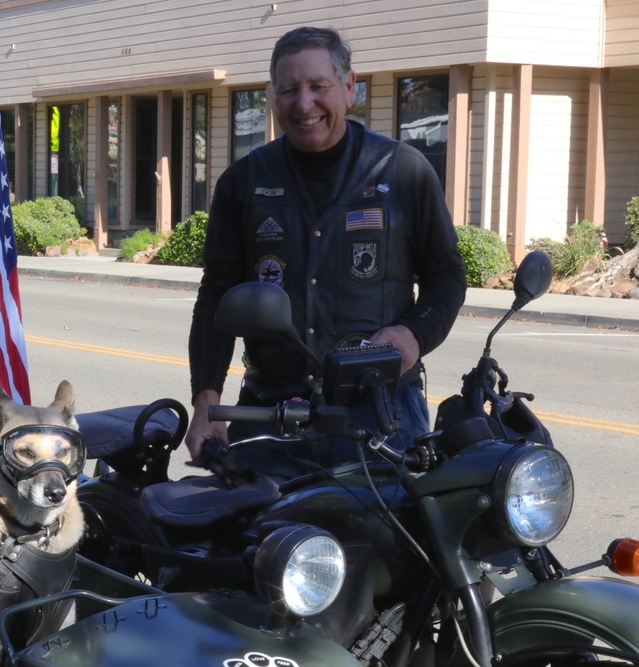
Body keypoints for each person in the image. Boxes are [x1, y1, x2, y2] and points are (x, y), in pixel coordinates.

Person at [186, 26, 467, 479]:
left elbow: (447, 275)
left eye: (319, 87)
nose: (304, 104)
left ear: (349, 87)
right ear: (271, 97)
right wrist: (206, 402)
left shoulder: (403, 172)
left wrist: (413, 335)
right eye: (289, 90)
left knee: (393, 544)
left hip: (381, 412)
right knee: (256, 542)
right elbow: (217, 296)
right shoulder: (242, 182)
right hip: (269, 410)